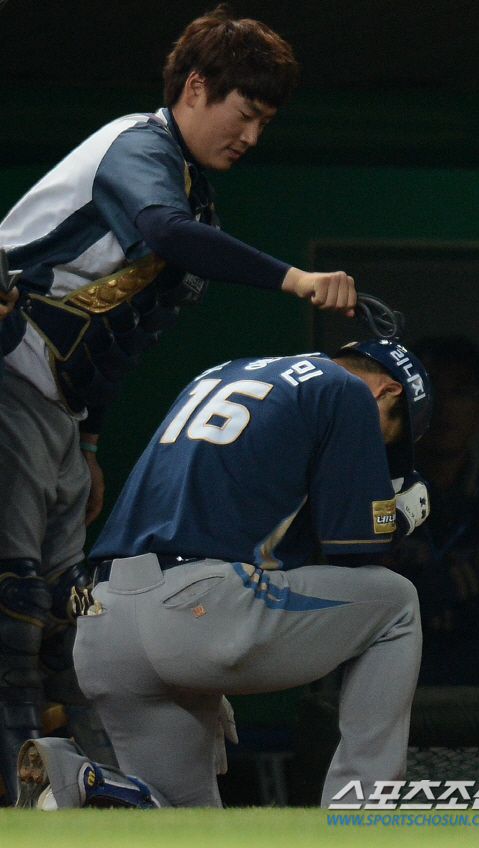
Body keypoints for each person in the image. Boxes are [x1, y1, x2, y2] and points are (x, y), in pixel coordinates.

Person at [0, 6, 359, 803]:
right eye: (245, 113)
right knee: (14, 609)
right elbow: (162, 232)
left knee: (65, 619)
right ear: (195, 87)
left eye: (264, 122)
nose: (251, 136)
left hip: (55, 409)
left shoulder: (194, 193)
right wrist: (293, 278)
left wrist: (88, 441)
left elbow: (117, 334)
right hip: (8, 372)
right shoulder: (138, 146)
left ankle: (82, 800)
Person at [15, 337, 432, 809]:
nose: (375, 451)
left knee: (185, 824)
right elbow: (356, 547)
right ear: (387, 391)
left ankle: (83, 782)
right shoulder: (348, 389)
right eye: (389, 436)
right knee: (397, 602)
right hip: (197, 608)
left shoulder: (222, 372)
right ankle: (362, 810)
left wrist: (197, 656)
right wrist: (403, 513)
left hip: (105, 620)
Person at [385, 334, 479, 686]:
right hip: (390, 700)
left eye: (461, 392)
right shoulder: (366, 506)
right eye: (430, 390)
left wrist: (423, 602)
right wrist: (473, 581)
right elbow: (360, 614)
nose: (444, 406)